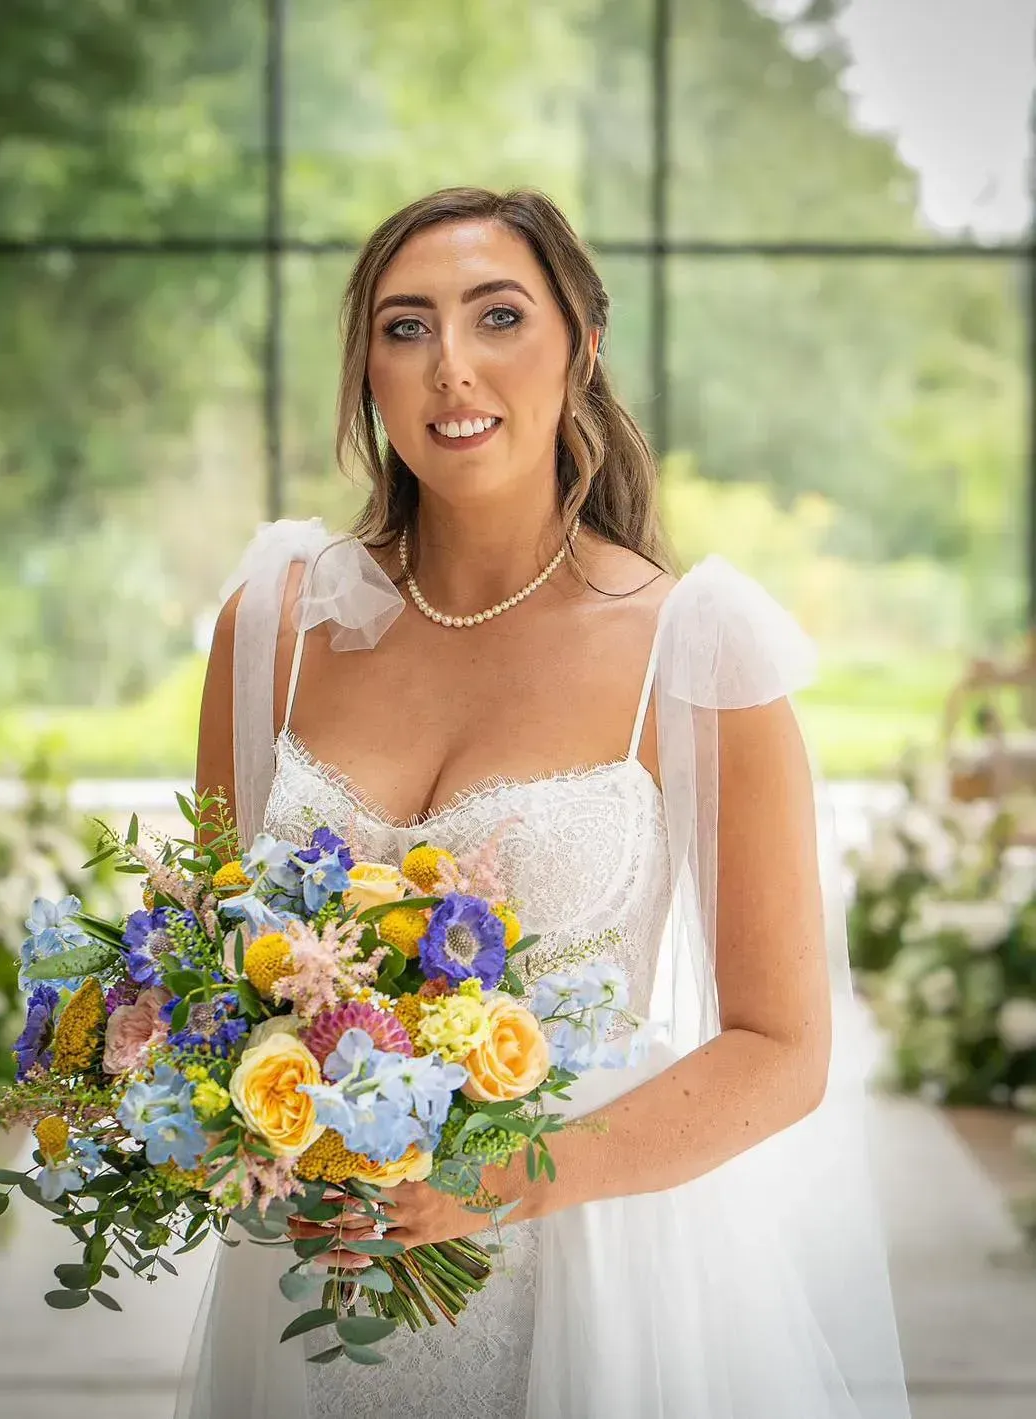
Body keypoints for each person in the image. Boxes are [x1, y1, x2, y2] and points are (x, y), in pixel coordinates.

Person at [177, 187, 910, 1419]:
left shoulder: (699, 649)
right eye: (406, 329)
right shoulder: (275, 627)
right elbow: (200, 953)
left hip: (592, 1292)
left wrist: (507, 1175)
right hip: (316, 1275)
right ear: (367, 370)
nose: (450, 369)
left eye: (498, 317)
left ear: (579, 344)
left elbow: (782, 1053)